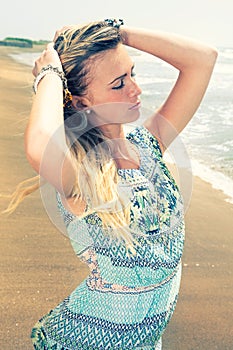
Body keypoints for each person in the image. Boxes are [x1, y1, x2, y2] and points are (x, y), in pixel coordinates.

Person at [11, 19, 217, 349]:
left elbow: (203, 59)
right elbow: (39, 144)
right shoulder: (80, 173)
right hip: (85, 341)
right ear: (80, 103)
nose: (136, 90)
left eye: (133, 74)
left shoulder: (149, 145)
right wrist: (49, 74)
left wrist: (115, 33)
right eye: (119, 84)